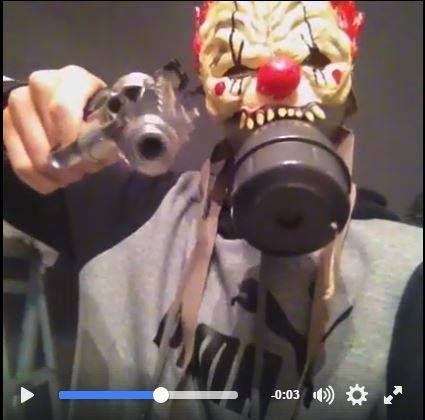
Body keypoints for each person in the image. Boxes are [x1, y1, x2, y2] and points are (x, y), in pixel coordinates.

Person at [3, 2, 422, 420]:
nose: (278, 77)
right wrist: (21, 109)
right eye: (237, 67)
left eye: (313, 59)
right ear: (206, 88)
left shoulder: (409, 271)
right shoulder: (121, 208)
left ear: (349, 77)